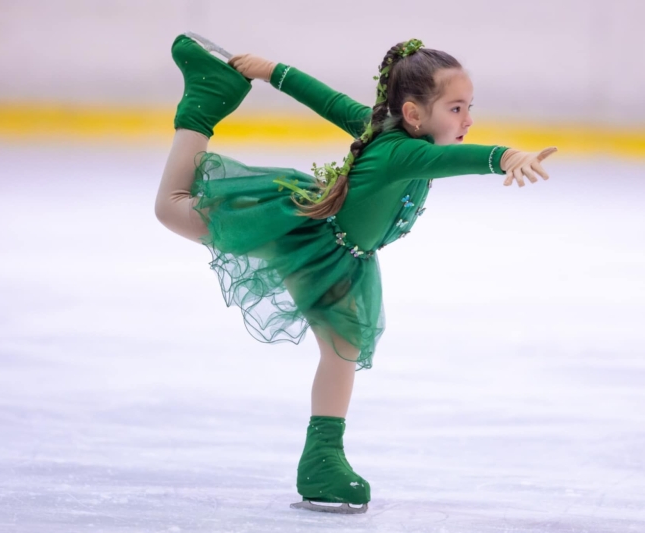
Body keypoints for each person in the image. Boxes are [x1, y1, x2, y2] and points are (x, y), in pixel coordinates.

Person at [154, 32, 557, 514]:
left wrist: (271, 70)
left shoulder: (385, 129)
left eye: (469, 106)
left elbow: (327, 99)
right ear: (412, 113)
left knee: (341, 352)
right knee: (172, 207)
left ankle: (323, 459)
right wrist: (506, 157)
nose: (468, 119)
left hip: (345, 257)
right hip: (302, 234)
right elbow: (454, 159)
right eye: (456, 108)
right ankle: (202, 100)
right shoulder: (403, 152)